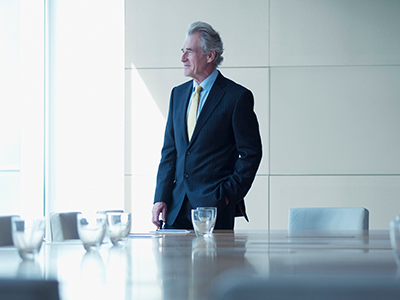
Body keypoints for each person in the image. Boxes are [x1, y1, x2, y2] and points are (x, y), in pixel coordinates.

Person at [151, 21, 262, 230]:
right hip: (175, 209)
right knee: (171, 264)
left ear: (210, 56)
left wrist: (226, 196)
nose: (182, 58)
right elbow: (169, 152)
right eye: (183, 51)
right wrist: (161, 197)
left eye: (189, 52)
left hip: (214, 209)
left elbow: (251, 154)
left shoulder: (237, 97)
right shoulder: (178, 94)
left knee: (214, 264)